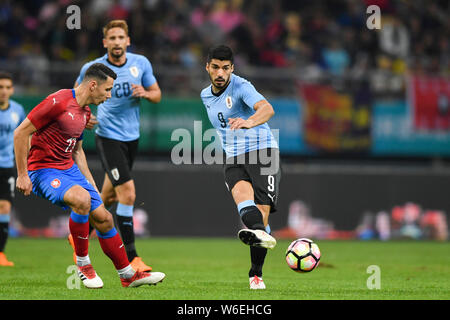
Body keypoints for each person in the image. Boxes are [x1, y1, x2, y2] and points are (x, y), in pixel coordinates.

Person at [14, 63, 165, 288]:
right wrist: (22, 174)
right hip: (43, 170)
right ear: (93, 85)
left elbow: (77, 151)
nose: (109, 95)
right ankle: (83, 264)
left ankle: (128, 275)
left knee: (104, 219)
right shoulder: (58, 101)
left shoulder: (85, 114)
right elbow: (20, 132)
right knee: (81, 201)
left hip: (69, 170)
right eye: (107, 90)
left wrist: (90, 182)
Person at [73, 20, 162, 272]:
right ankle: (133, 258)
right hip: (108, 136)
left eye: (120, 37)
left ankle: (80, 233)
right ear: (105, 43)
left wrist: (145, 92)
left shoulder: (141, 64)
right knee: (128, 194)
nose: (116, 42)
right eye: (111, 38)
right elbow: (75, 97)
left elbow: (157, 94)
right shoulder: (92, 68)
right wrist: (85, 116)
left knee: (108, 196)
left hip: (131, 138)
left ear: (127, 41)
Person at [200, 45, 281, 289]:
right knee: (244, 206)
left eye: (225, 68)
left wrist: (249, 122)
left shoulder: (242, 87)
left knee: (262, 212)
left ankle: (256, 272)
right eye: (215, 67)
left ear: (232, 68)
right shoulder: (205, 95)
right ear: (208, 68)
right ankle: (260, 233)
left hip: (264, 154)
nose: (220, 73)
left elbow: (267, 109)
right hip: (234, 158)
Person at [0, 72, 26, 267]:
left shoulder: (18, 110)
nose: (4, 91)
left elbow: (25, 136)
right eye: (0, 87)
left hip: (7, 165)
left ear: (12, 90)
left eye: (7, 87)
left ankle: (0, 253)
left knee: (4, 207)